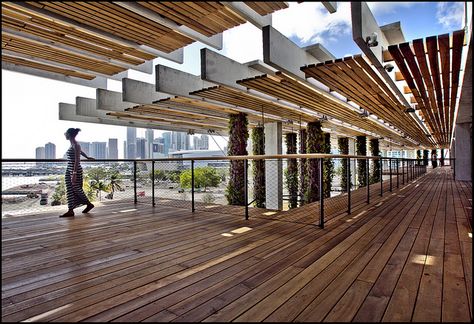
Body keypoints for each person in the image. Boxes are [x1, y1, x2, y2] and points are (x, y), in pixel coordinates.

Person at [61, 128, 95, 217]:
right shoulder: (73, 144)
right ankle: (70, 210)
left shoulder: (76, 145)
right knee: (69, 189)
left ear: (69, 134)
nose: (64, 134)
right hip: (69, 169)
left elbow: (77, 160)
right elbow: (80, 152)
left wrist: (74, 174)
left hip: (75, 170)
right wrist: (87, 157)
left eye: (66, 133)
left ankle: (89, 204)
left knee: (76, 189)